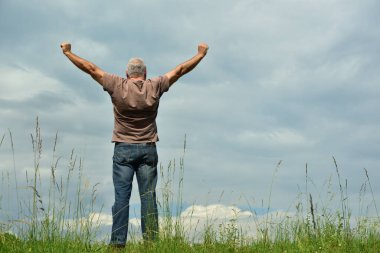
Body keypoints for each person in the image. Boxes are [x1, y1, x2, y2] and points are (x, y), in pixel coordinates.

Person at [60, 42, 209, 247]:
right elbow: (180, 70)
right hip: (148, 148)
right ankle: (151, 244)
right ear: (145, 74)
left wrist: (68, 52)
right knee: (148, 198)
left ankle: (118, 245)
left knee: (122, 198)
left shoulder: (116, 84)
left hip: (123, 149)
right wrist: (200, 54)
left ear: (127, 73)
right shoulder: (154, 85)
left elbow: (91, 69)